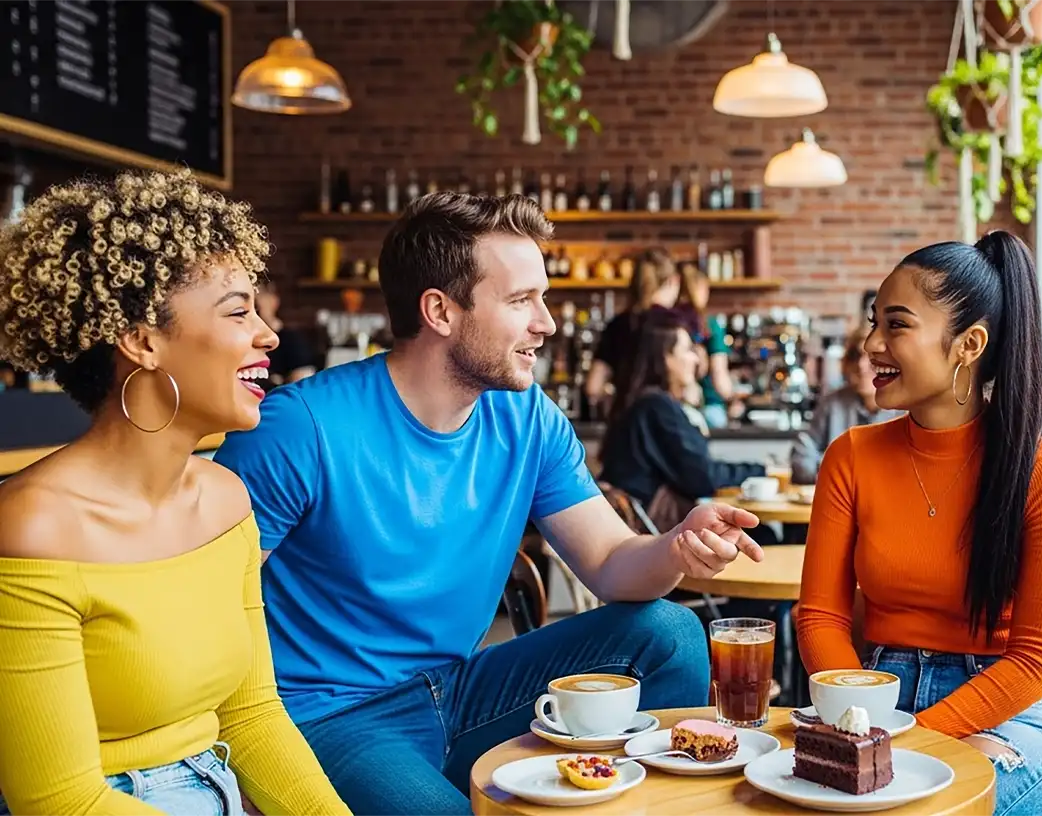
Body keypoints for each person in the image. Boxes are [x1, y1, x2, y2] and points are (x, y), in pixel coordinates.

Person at [211, 192, 763, 816]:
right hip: (333, 715)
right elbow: (204, 614)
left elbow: (611, 562)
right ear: (440, 311)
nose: (546, 323)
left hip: (462, 690)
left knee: (668, 632)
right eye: (521, 300)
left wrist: (676, 547)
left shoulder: (527, 417)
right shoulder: (298, 427)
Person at [0, 170, 348, 814]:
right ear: (142, 341)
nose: (268, 334)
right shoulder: (33, 528)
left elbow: (252, 716)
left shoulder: (226, 501)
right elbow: (60, 801)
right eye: (238, 311)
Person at [797, 234, 1042, 816]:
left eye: (897, 325)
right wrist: (861, 721)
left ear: (968, 345)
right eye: (874, 322)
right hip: (873, 696)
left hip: (1002, 710)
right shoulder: (850, 457)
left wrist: (916, 739)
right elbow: (820, 616)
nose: (871, 344)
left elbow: (1034, 662)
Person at [598, 314, 765, 527]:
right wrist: (761, 470)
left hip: (643, 528)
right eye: (687, 350)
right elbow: (703, 477)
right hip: (656, 533)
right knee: (764, 534)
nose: (695, 359)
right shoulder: (657, 408)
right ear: (665, 358)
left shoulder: (640, 403)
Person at [790, 323, 903, 484]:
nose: (861, 365)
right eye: (856, 356)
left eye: (873, 356)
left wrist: (835, 469)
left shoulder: (908, 410)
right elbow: (802, 454)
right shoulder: (832, 402)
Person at [583, 247, 680, 411]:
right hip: (666, 418)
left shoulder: (617, 324)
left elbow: (593, 387)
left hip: (624, 419)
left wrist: (613, 397)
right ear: (673, 281)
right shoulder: (673, 324)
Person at [676, 260, 737, 428]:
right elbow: (720, 377)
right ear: (701, 289)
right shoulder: (710, 326)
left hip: (671, 408)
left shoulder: (665, 323)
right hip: (709, 409)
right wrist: (734, 399)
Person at [256, 280, 317, 388]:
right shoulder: (242, 340)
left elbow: (303, 386)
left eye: (260, 295)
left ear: (274, 300)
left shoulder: (292, 340)